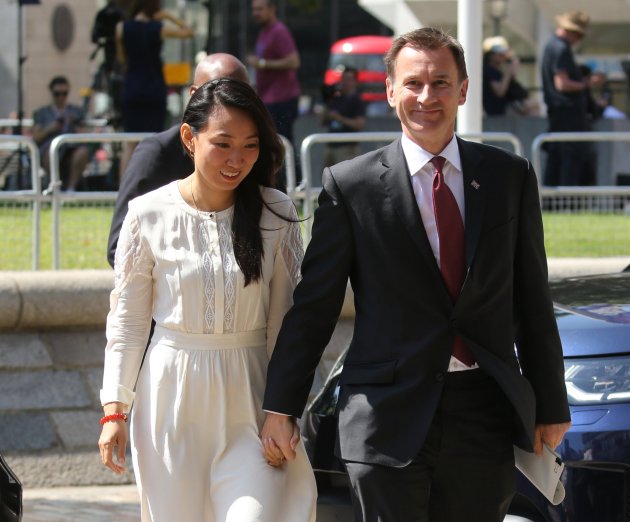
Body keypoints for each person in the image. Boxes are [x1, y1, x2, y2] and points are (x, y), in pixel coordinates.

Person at [260, 27, 570, 522]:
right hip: (387, 416)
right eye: (413, 84)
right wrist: (282, 406)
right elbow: (315, 306)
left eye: (441, 83)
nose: (427, 97)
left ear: (464, 90)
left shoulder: (508, 177)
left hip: (483, 414)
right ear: (389, 91)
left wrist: (551, 403)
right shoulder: (351, 185)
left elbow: (532, 297)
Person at [98, 77, 317, 521]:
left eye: (251, 146)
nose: (237, 160)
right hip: (170, 405)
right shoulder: (148, 214)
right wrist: (114, 410)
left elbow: (289, 323)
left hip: (253, 401)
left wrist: (283, 408)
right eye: (223, 144)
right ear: (188, 137)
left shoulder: (277, 212)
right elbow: (128, 321)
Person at [106, 53, 250, 268]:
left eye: (240, 95)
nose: (228, 104)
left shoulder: (260, 155)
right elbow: (121, 246)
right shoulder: (156, 153)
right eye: (217, 91)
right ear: (194, 95)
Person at [115, 0, 194, 178]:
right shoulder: (159, 28)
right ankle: (154, 182)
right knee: (155, 139)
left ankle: (122, 188)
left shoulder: (121, 28)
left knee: (130, 142)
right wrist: (168, 16)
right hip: (154, 88)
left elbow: (122, 59)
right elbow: (189, 32)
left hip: (132, 87)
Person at [247, 0, 301, 191]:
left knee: (281, 142)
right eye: (254, 9)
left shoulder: (279, 31)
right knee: (274, 143)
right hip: (268, 97)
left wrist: (262, 64)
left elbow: (294, 61)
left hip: (281, 98)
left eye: (260, 9)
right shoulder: (264, 32)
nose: (256, 13)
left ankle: (293, 186)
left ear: (272, 9)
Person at [541, 10, 597, 186]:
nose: (579, 39)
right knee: (569, 159)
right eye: (579, 35)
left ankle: (552, 203)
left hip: (559, 114)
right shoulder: (561, 49)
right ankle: (566, 202)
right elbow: (562, 84)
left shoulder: (552, 46)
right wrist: (587, 84)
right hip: (567, 115)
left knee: (556, 158)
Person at [32, 76, 89, 192]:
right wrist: (50, 128)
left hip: (71, 148)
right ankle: (55, 188)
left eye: (65, 93)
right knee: (50, 153)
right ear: (51, 93)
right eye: (57, 94)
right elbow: (35, 137)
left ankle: (71, 189)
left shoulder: (76, 111)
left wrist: (75, 126)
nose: (61, 97)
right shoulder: (41, 113)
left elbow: (86, 134)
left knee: (82, 152)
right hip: (49, 148)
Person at [321, 66, 366, 168]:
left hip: (347, 147)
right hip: (331, 145)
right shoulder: (336, 99)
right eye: (343, 79)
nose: (345, 83)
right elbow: (323, 122)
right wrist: (326, 102)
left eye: (348, 79)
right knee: (327, 180)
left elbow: (359, 124)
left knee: (345, 181)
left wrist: (339, 118)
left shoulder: (356, 101)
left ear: (355, 82)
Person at [482, 36, 538, 117]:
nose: (503, 56)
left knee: (534, 105)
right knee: (532, 106)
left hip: (505, 108)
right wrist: (508, 72)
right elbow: (500, 92)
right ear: (490, 55)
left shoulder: (499, 70)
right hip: (498, 110)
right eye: (499, 54)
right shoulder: (488, 70)